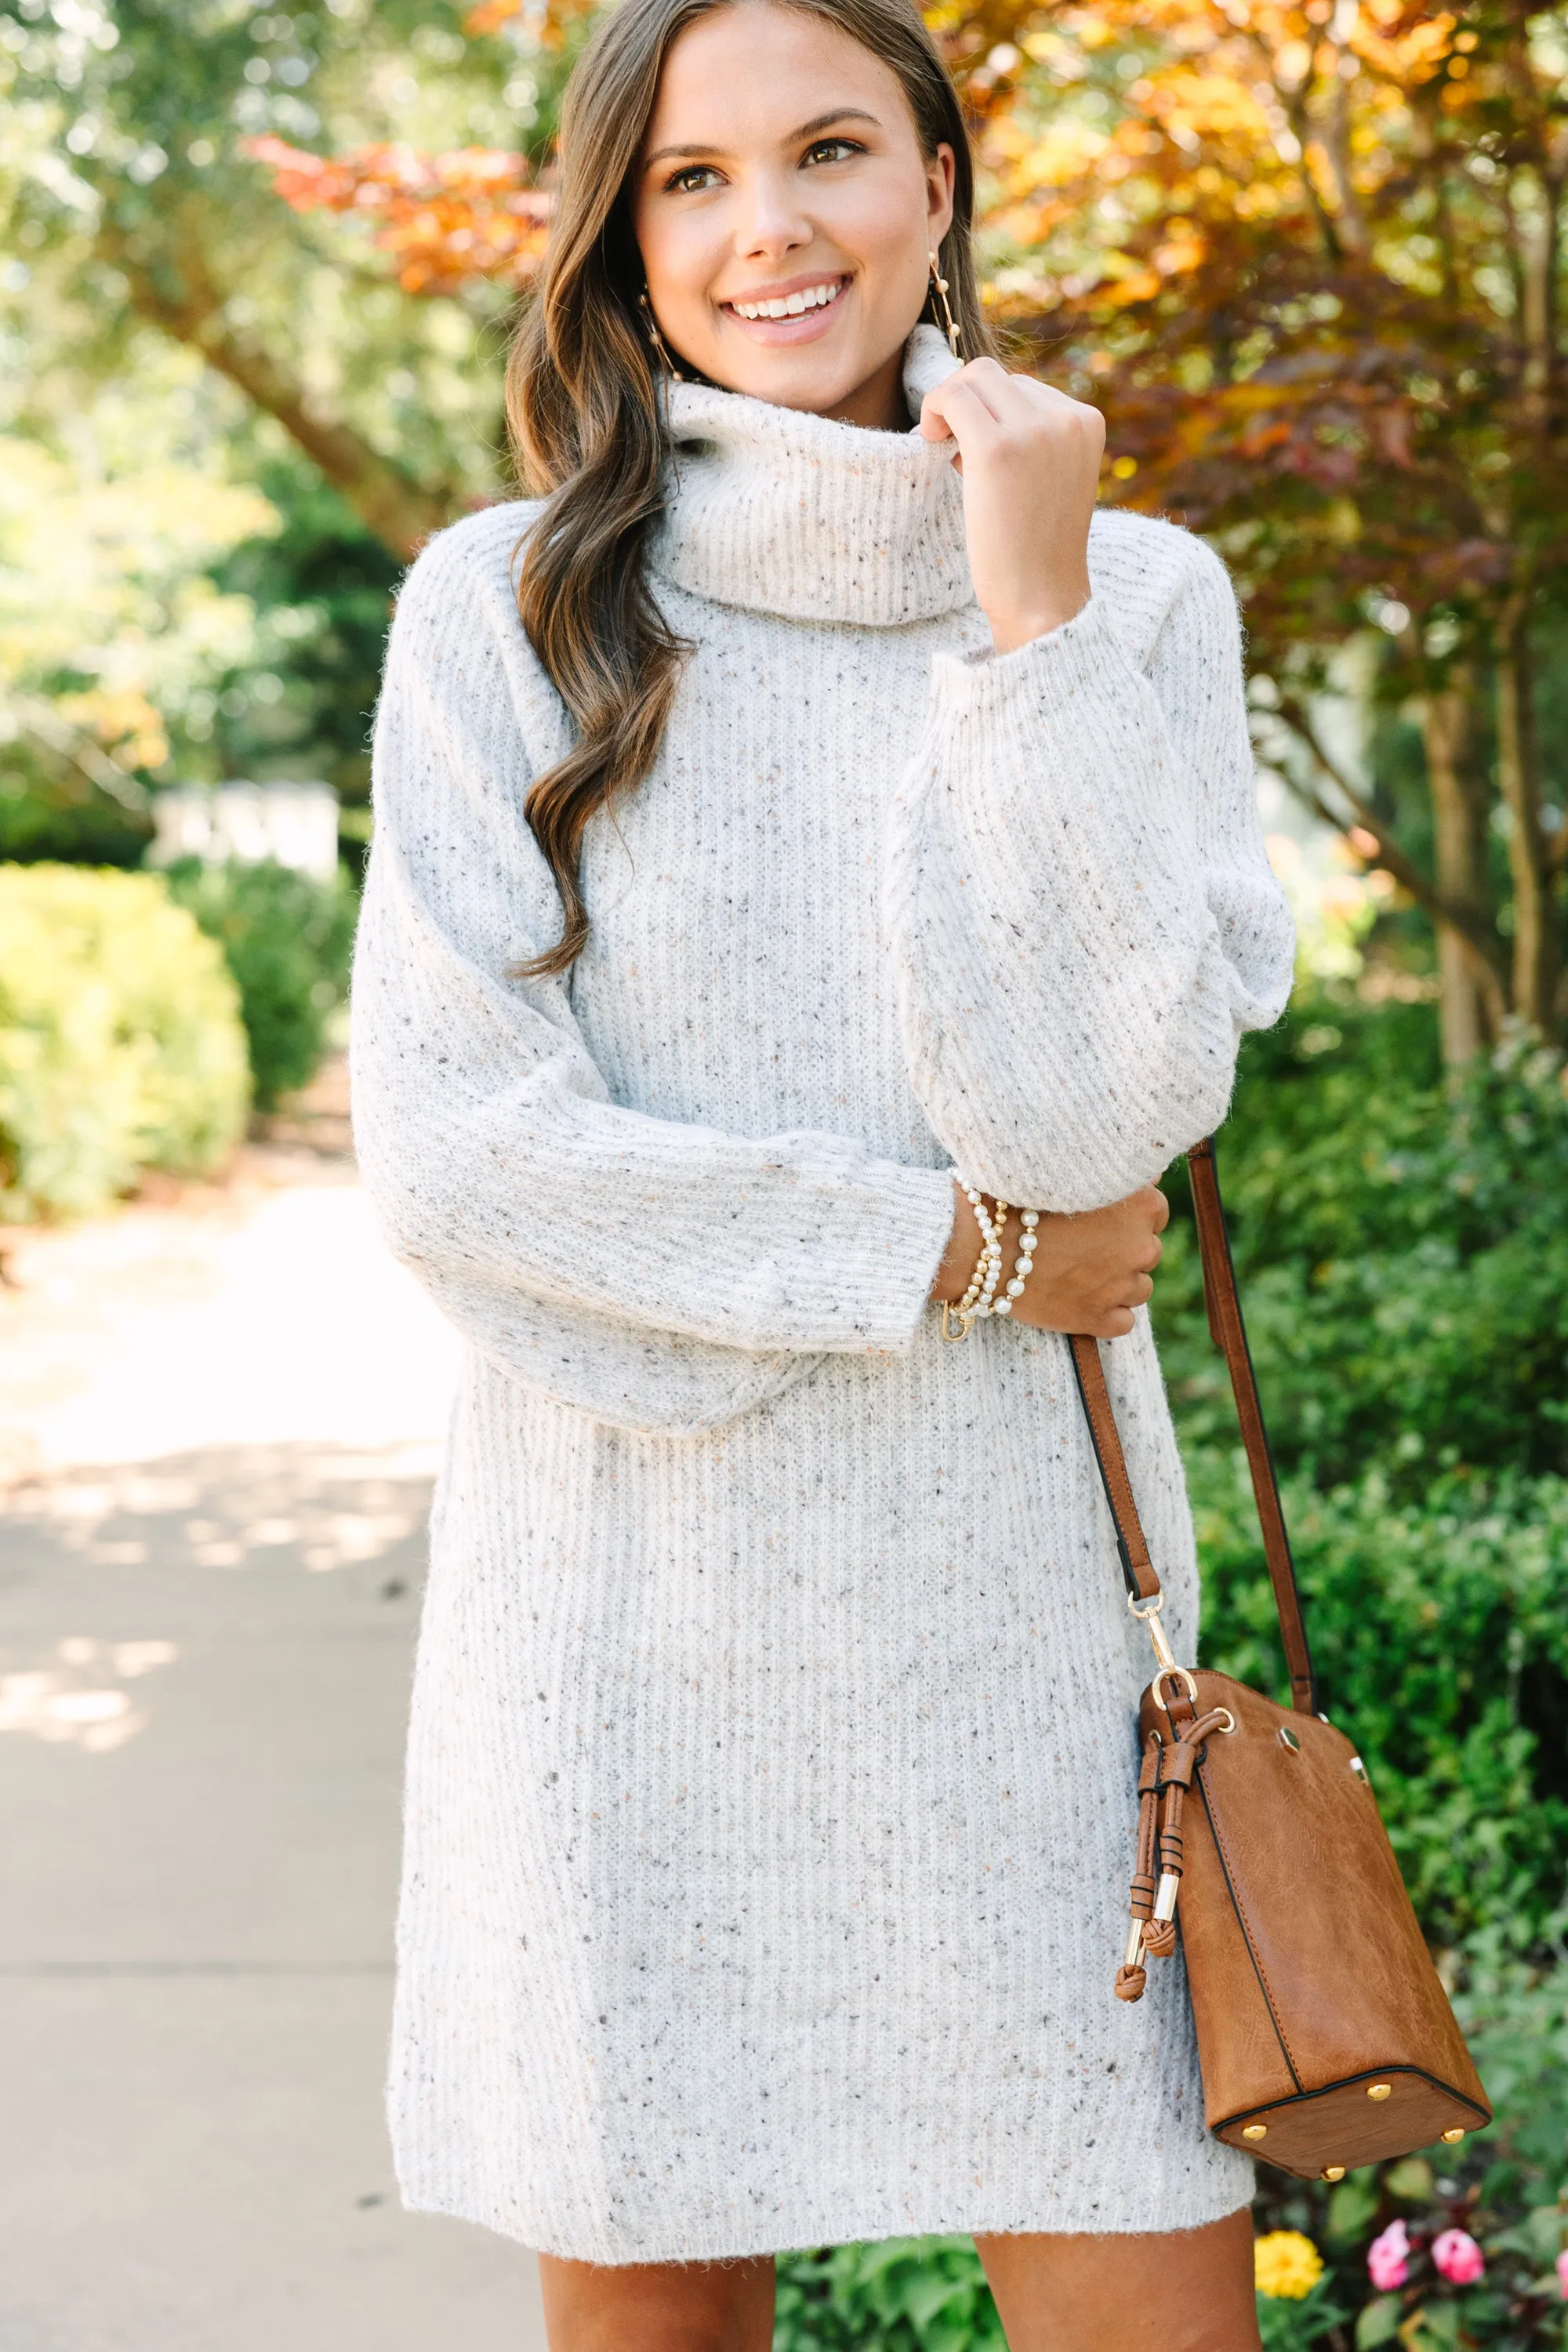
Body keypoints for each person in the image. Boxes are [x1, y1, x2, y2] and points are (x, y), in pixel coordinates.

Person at [350, 0, 1294, 2341]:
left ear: (939, 188)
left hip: (1034, 1646)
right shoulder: (512, 607)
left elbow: (1106, 1115)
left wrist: (1033, 613)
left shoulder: (1135, 600)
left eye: (832, 151)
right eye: (690, 179)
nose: (767, 227)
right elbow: (463, 1152)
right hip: (635, 1642)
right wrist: (951, 1251)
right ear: (624, 240)